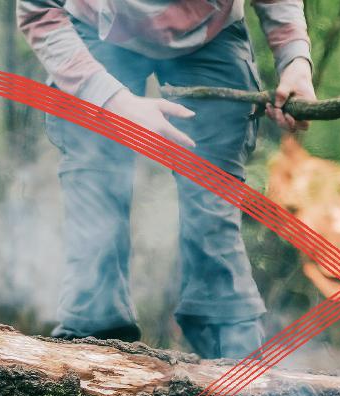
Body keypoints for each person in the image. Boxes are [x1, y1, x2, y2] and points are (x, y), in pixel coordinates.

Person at [17, 0, 315, 359]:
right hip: (94, 32)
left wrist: (295, 58)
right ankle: (93, 339)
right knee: (95, 185)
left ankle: (233, 352)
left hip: (213, 36)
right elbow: (38, 11)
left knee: (212, 199)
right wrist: (113, 101)